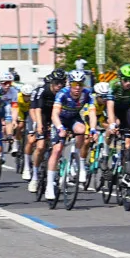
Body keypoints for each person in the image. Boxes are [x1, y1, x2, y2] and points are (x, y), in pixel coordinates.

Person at [46, 70, 98, 202]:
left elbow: (92, 114)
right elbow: (54, 115)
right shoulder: (62, 94)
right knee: (57, 150)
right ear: (70, 84)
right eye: (75, 84)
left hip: (73, 118)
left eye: (80, 84)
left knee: (82, 130)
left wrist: (93, 129)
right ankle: (49, 185)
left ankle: (78, 161)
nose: (78, 88)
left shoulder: (86, 94)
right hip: (60, 121)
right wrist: (59, 128)